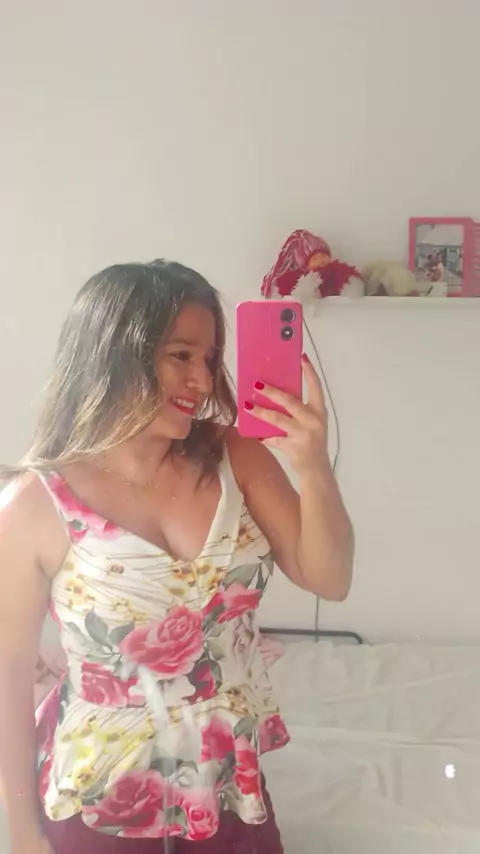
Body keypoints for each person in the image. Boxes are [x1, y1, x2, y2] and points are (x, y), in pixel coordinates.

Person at [0, 260, 353, 854]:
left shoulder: (237, 457)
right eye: (180, 355)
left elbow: (331, 579)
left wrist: (313, 467)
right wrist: (21, 830)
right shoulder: (36, 504)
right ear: (113, 354)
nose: (202, 379)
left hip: (231, 791)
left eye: (210, 358)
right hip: (97, 800)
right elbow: (8, 673)